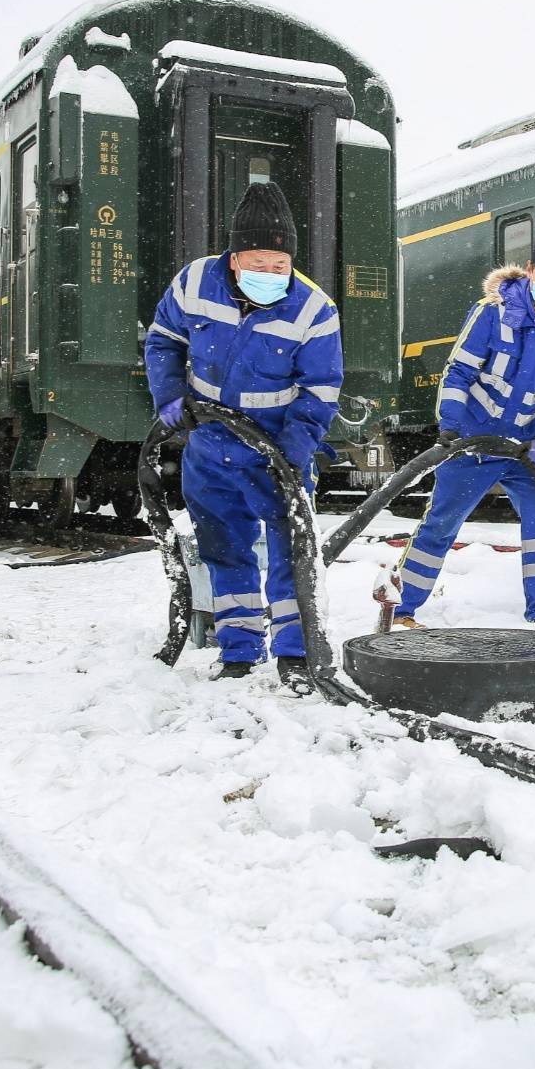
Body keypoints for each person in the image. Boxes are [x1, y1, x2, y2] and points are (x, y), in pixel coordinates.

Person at [142, 182, 342, 690]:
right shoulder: (192, 284)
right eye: (258, 263)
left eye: (280, 266)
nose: (271, 275)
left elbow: (320, 390)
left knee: (289, 551)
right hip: (209, 447)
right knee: (223, 548)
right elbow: (164, 339)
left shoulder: (314, 311)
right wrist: (169, 397)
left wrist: (294, 452)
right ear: (233, 257)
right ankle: (238, 650)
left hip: (277, 450)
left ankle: (296, 654)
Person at [393, 238, 535, 629]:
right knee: (441, 524)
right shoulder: (492, 312)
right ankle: (401, 610)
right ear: (530, 271)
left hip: (525, 449)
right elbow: (460, 371)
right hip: (473, 441)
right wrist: (451, 424)